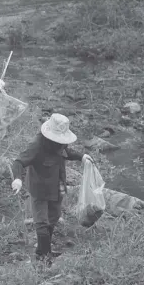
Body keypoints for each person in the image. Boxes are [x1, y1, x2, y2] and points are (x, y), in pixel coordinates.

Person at [11, 113, 94, 265]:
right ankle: (43, 258)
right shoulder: (36, 145)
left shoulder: (60, 142)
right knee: (41, 222)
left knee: (53, 217)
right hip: (39, 188)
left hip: (57, 184)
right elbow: (18, 162)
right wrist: (17, 179)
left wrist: (82, 156)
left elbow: (66, 152)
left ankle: (43, 250)